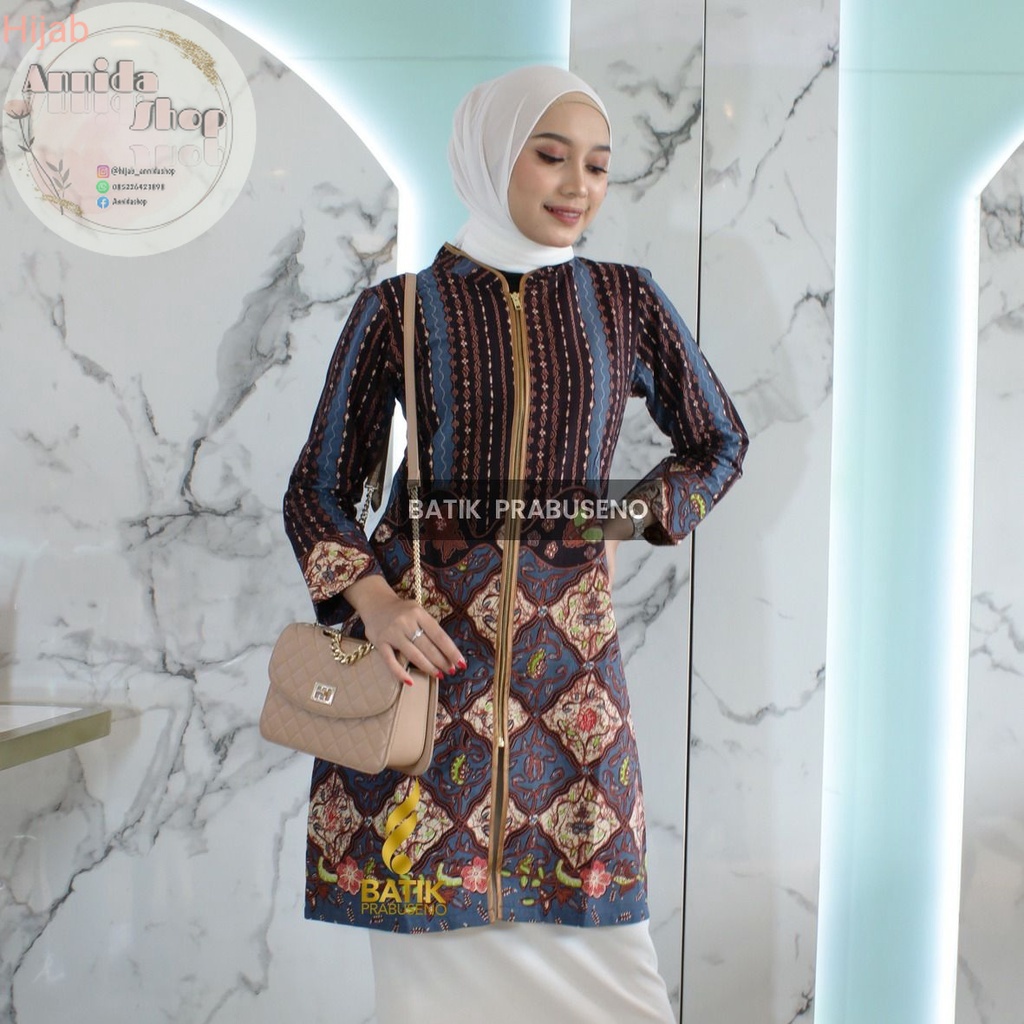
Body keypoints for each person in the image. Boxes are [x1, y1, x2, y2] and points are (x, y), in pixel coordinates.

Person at [283, 64, 748, 1023]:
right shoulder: (400, 309)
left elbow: (718, 441)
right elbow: (318, 488)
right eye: (550, 156)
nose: (578, 185)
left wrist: (620, 521)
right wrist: (376, 603)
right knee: (430, 985)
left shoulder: (623, 300)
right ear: (493, 157)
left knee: (613, 972)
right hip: (426, 672)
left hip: (568, 686)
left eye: (598, 165)